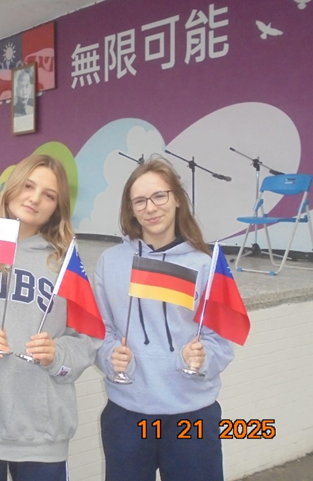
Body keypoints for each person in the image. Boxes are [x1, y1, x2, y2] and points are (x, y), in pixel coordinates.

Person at [0, 155, 102, 481]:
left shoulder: (64, 262)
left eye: (49, 195)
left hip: (42, 435)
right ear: (13, 186)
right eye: (29, 186)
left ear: (57, 207)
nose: (35, 198)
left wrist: (58, 354)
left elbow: (87, 339)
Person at [93, 157, 235, 481]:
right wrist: (110, 355)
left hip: (191, 415)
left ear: (177, 199)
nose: (150, 207)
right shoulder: (110, 262)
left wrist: (203, 357)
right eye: (139, 200)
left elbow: (220, 340)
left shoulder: (205, 265)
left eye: (159, 195)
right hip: (128, 414)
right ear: (130, 209)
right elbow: (101, 331)